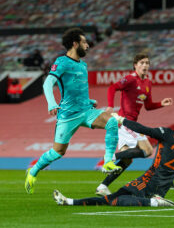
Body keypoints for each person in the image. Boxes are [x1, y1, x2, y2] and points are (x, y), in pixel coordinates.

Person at [25, 28, 121, 194]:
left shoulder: (83, 65)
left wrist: (89, 101)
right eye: (84, 42)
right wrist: (51, 104)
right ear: (75, 44)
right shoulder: (61, 62)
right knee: (57, 152)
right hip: (68, 116)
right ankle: (32, 172)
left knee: (112, 121)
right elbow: (48, 83)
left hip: (86, 111)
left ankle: (107, 162)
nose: (87, 45)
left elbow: (78, 90)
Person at [53, 107, 174, 207]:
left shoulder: (167, 134)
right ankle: (69, 201)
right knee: (113, 197)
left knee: (115, 200)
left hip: (151, 181)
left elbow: (142, 129)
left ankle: (154, 202)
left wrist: (121, 119)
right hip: (162, 185)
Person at [96, 53, 173, 196]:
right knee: (148, 150)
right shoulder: (130, 79)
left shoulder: (148, 83)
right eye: (142, 63)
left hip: (131, 123)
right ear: (135, 65)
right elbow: (112, 88)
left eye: (147, 63)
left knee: (127, 160)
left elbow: (148, 106)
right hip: (124, 121)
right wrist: (110, 106)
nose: (145, 65)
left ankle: (102, 186)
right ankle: (111, 157)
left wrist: (161, 104)